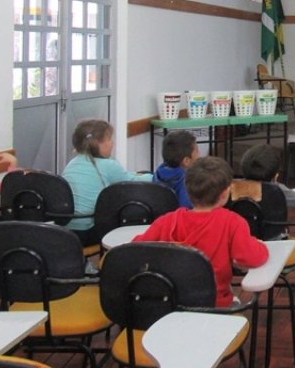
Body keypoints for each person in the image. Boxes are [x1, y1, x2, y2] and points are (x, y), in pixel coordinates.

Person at [134, 156, 269, 307]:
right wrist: (261, 246)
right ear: (226, 193)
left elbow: (136, 249)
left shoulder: (166, 221)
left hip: (171, 305)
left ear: (187, 189)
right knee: (236, 305)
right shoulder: (233, 222)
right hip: (215, 304)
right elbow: (251, 258)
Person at [61, 118, 152, 246]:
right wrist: (153, 176)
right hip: (89, 229)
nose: (112, 143)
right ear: (97, 143)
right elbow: (132, 182)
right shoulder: (108, 165)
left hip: (67, 226)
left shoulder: (73, 162)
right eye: (109, 139)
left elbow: (123, 176)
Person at [153, 130, 200, 209]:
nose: (200, 155)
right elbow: (187, 211)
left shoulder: (158, 174)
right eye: (197, 151)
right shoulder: (186, 183)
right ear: (186, 161)